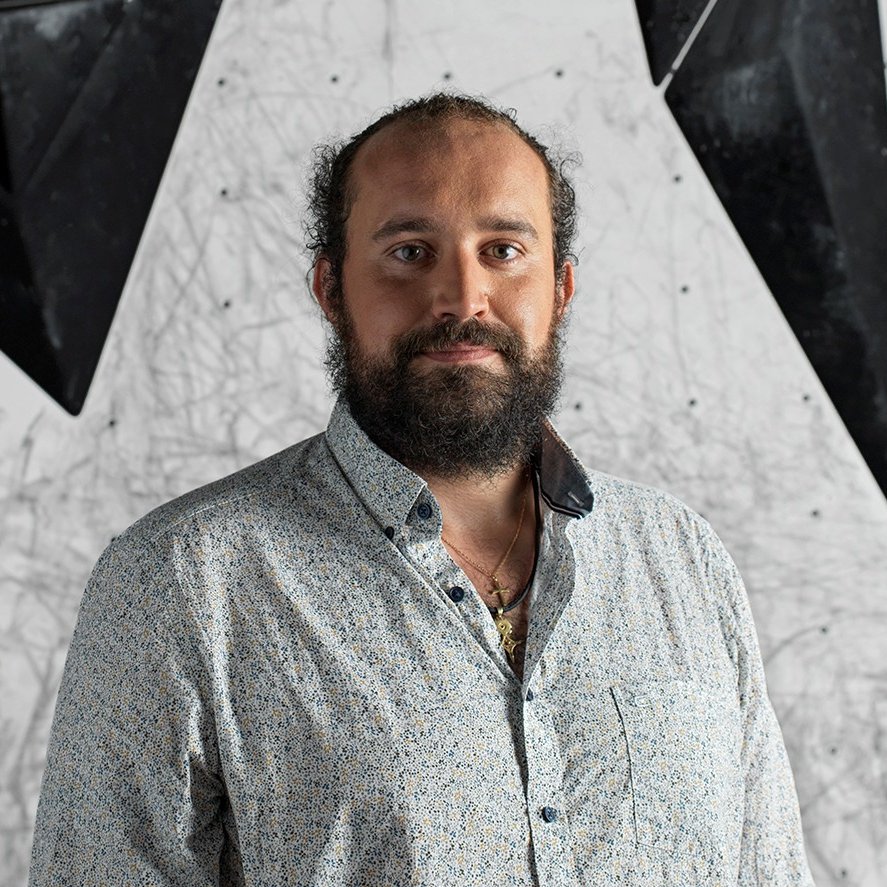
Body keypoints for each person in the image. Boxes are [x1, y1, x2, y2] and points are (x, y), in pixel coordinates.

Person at [29, 93, 815, 886]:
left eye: (502, 250)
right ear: (331, 289)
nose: (462, 298)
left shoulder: (682, 559)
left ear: (561, 288)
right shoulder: (181, 582)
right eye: (409, 251)